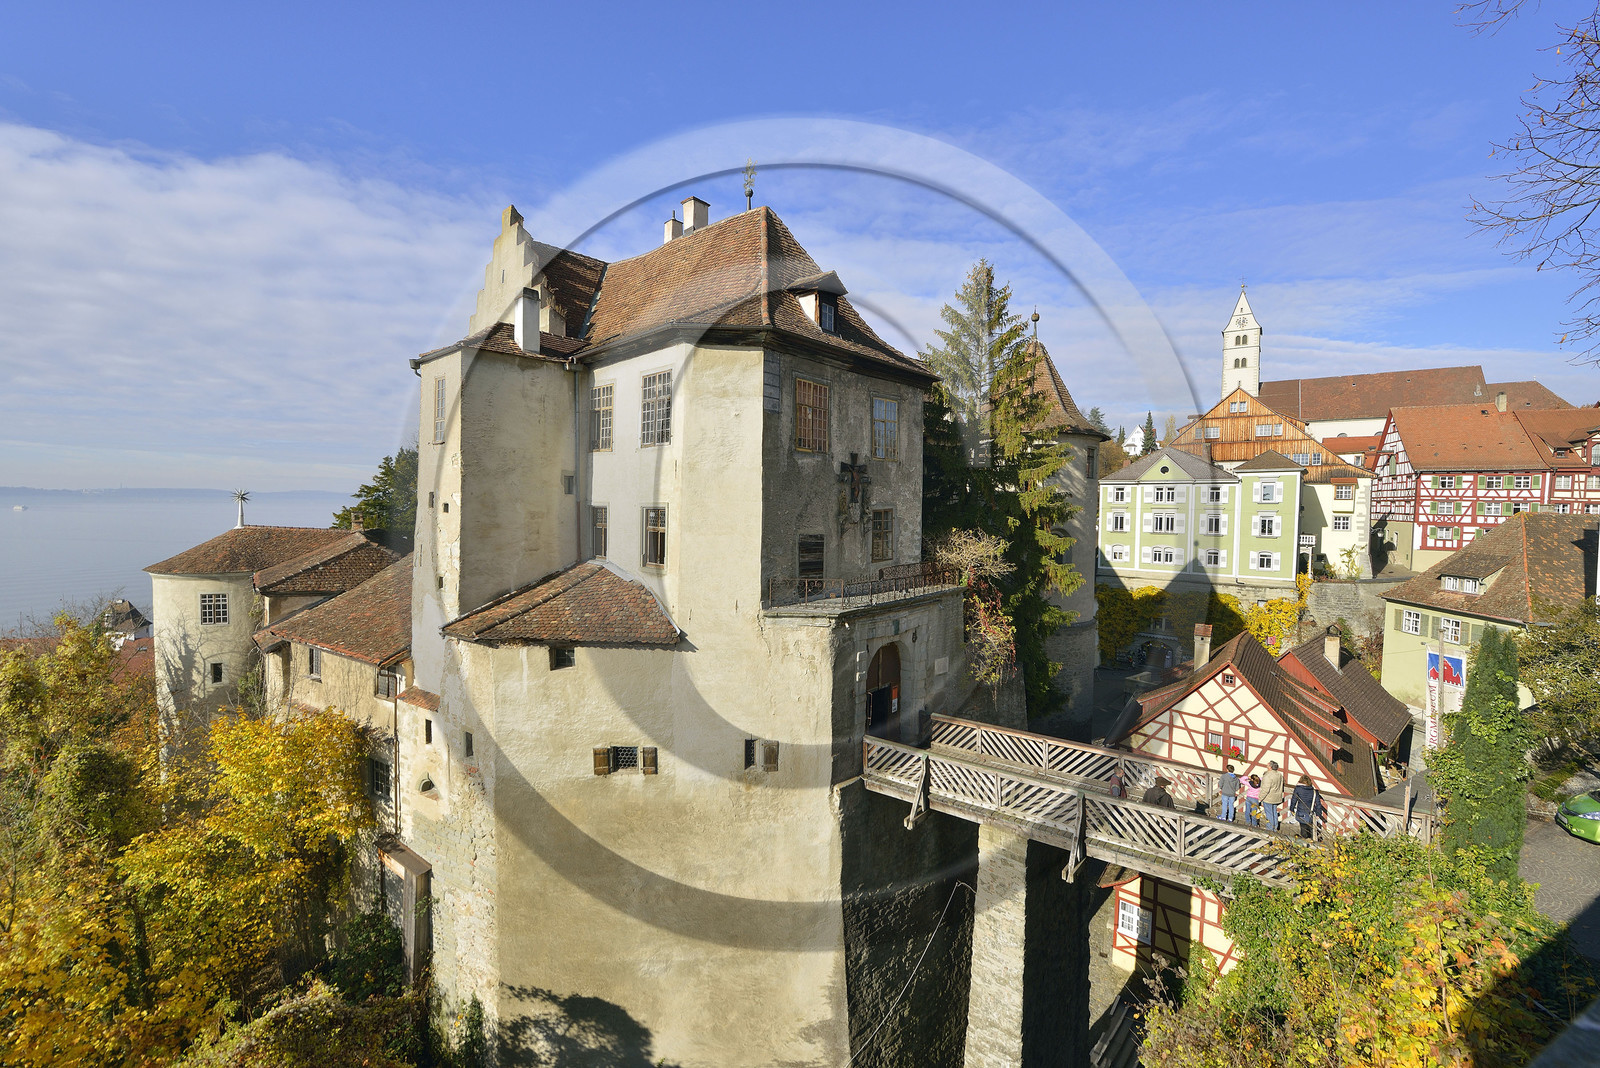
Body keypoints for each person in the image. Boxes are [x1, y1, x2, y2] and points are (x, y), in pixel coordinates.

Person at [1260, 760, 1285, 832]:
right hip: (1276, 797)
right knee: (1274, 813)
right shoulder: (1279, 774)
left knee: (1269, 814)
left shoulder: (1268, 776)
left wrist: (1260, 798)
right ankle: (1275, 827)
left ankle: (1270, 829)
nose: (1266, 766)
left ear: (1270, 767)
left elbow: (1265, 789)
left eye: (1267, 765)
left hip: (1269, 797)